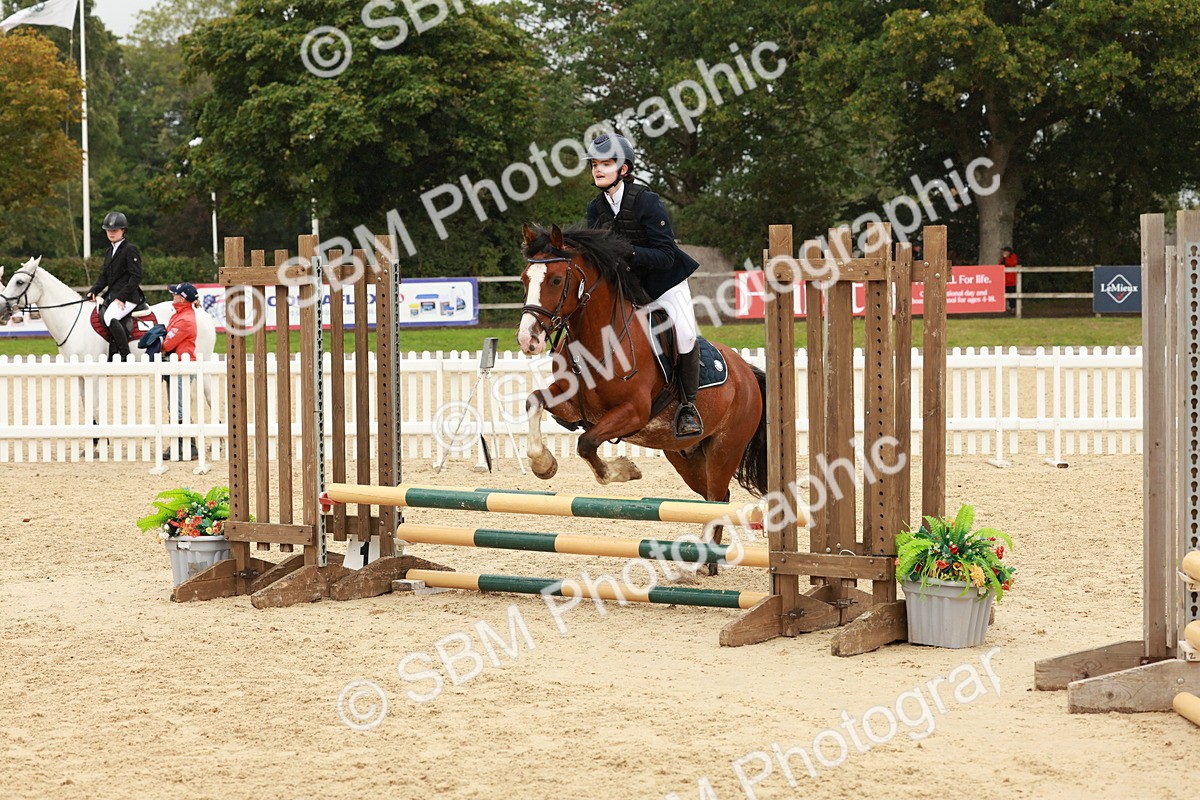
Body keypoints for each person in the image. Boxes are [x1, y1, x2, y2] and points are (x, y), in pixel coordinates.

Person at [584, 132, 704, 438]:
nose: (598, 169)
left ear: (624, 169)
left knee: (687, 334)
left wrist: (630, 252)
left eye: (606, 163)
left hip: (666, 284)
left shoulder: (647, 202)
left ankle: (688, 407)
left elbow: (666, 255)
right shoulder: (595, 210)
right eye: (595, 164)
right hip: (630, 288)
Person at [86, 211, 145, 361]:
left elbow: (136, 276)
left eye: (115, 230)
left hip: (129, 297)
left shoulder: (130, 249)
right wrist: (94, 291)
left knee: (110, 316)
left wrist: (122, 297)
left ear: (123, 231)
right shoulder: (109, 251)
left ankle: (125, 355)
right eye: (108, 230)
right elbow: (105, 276)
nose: (111, 233)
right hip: (113, 295)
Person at [161, 283, 200, 460]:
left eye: (175, 294)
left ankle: (188, 446)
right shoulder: (180, 315)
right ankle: (180, 444)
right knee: (175, 405)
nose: (172, 296)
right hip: (177, 364)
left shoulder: (184, 319)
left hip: (181, 366)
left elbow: (167, 343)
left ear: (182, 298)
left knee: (178, 406)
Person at [1000, 246, 1020, 313]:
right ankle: (1007, 307)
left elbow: (1012, 264)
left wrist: (1006, 259)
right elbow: (1000, 265)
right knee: (1006, 294)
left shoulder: (1013, 256)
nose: (1004, 252)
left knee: (1012, 294)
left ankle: (1013, 307)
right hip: (1005, 280)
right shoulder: (1003, 258)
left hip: (1011, 280)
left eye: (1005, 251)